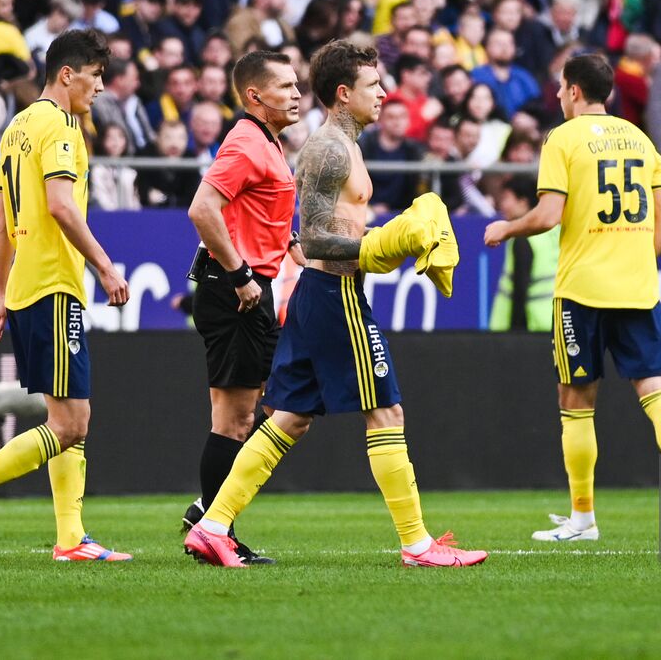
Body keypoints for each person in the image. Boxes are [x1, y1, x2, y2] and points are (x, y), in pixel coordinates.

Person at [185, 40, 486, 568]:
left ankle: (212, 525)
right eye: (374, 86)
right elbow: (319, 237)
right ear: (344, 94)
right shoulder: (327, 150)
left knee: (289, 419)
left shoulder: (342, 144)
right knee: (386, 411)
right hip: (334, 295)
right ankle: (417, 545)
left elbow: (311, 237)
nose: (385, 94)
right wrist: (382, 245)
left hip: (320, 295)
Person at [483, 53, 661, 542]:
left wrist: (507, 228)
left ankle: (583, 519)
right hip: (637, 288)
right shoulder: (642, 140)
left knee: (576, 401)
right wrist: (636, 258)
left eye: (562, 89)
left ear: (575, 91)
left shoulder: (562, 138)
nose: (560, 97)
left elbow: (546, 216)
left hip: (582, 290)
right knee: (657, 392)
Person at [0, 29, 131, 562]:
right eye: (95, 75)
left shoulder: (17, 126)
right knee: (72, 423)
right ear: (68, 74)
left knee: (68, 417)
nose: (101, 87)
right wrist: (106, 267)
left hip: (24, 288)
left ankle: (71, 538)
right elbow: (62, 207)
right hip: (52, 285)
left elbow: (2, 217)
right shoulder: (61, 126)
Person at [179, 51, 303, 566]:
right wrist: (241, 273)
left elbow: (253, 211)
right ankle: (214, 527)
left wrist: (290, 243)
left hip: (247, 287)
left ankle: (207, 515)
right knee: (235, 420)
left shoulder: (266, 141)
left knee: (243, 414)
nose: (297, 94)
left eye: (298, 85)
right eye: (286, 86)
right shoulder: (248, 142)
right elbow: (201, 208)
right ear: (255, 96)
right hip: (236, 291)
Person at [488, 176, 560, 332]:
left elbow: (520, 288)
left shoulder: (523, 238)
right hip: (554, 321)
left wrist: (516, 332)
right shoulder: (554, 231)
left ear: (523, 201)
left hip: (530, 324)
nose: (502, 205)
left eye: (507, 198)